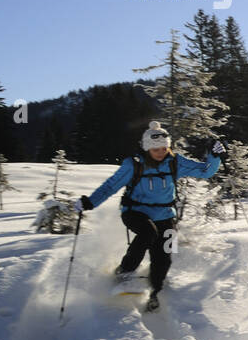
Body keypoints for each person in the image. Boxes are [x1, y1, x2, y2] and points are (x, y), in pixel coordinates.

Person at [76, 121, 224, 311]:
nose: (161, 151)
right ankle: (124, 273)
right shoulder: (134, 165)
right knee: (148, 233)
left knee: (164, 256)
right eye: (155, 148)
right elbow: (111, 186)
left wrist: (214, 156)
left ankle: (156, 291)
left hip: (165, 214)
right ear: (147, 148)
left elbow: (206, 171)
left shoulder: (175, 162)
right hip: (135, 212)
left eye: (164, 147)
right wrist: (90, 202)